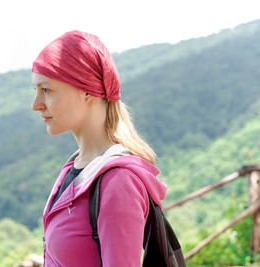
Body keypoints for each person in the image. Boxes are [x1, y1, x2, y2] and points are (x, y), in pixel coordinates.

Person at [31, 30, 167, 267]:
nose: (36, 105)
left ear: (85, 91)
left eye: (46, 90)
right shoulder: (74, 168)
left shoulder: (118, 181)